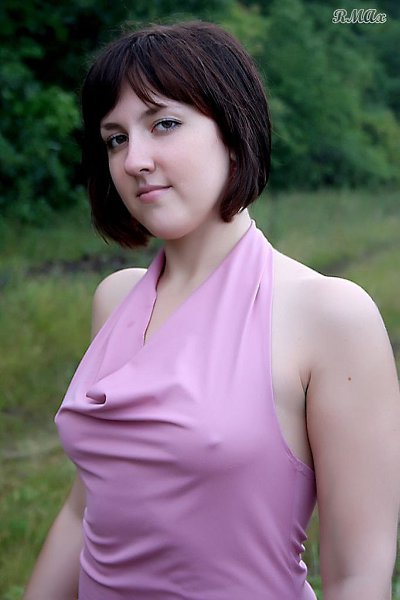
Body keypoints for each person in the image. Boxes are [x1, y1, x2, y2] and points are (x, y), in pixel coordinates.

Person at [23, 21, 400, 600]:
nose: (134, 160)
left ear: (232, 130)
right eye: (115, 138)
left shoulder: (329, 315)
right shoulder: (115, 299)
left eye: (164, 124)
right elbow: (86, 509)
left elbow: (359, 576)